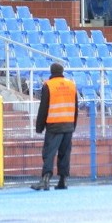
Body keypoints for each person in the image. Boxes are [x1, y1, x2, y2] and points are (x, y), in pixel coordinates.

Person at [31, 63, 78, 191]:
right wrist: (73, 125)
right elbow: (76, 108)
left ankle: (45, 180)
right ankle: (63, 180)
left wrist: (39, 127)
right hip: (68, 125)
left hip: (54, 125)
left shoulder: (49, 85)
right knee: (65, 153)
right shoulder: (71, 85)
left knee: (49, 153)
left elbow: (43, 108)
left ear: (51, 71)